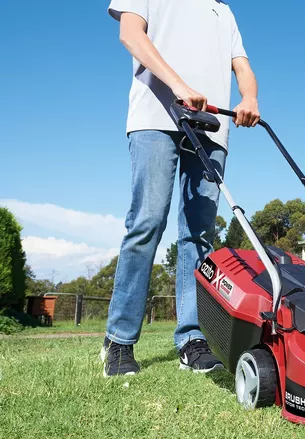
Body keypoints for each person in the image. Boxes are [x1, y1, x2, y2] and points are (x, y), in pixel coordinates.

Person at [102, 0, 260, 377]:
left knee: (200, 235)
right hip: (156, 117)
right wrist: (178, 86)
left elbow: (243, 66)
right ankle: (119, 341)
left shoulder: (224, 12)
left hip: (211, 128)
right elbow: (129, 33)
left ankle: (192, 339)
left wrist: (250, 97)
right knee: (148, 221)